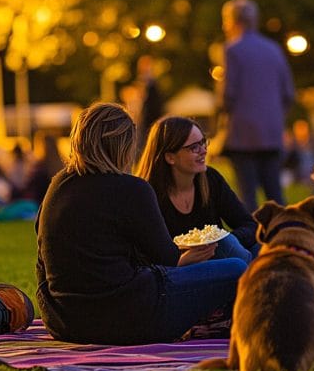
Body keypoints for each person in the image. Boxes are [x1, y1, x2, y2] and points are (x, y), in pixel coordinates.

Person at [36, 103, 247, 345]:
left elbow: (43, 257)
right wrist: (190, 256)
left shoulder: (57, 186)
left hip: (65, 322)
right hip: (129, 317)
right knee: (236, 268)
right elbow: (167, 258)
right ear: (124, 145)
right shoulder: (131, 189)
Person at [136, 116, 258, 263]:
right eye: (194, 147)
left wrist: (219, 241)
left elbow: (249, 225)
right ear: (170, 157)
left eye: (203, 143)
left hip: (219, 259)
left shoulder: (211, 179)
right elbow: (147, 255)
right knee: (237, 264)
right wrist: (182, 258)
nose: (204, 151)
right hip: (179, 272)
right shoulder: (147, 195)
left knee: (260, 246)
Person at [219, 0, 295, 212]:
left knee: (247, 196)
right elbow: (288, 93)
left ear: (232, 21)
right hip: (272, 133)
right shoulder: (274, 49)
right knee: (276, 194)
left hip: (243, 135)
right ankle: (286, 235)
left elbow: (228, 95)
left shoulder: (232, 50)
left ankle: (252, 242)